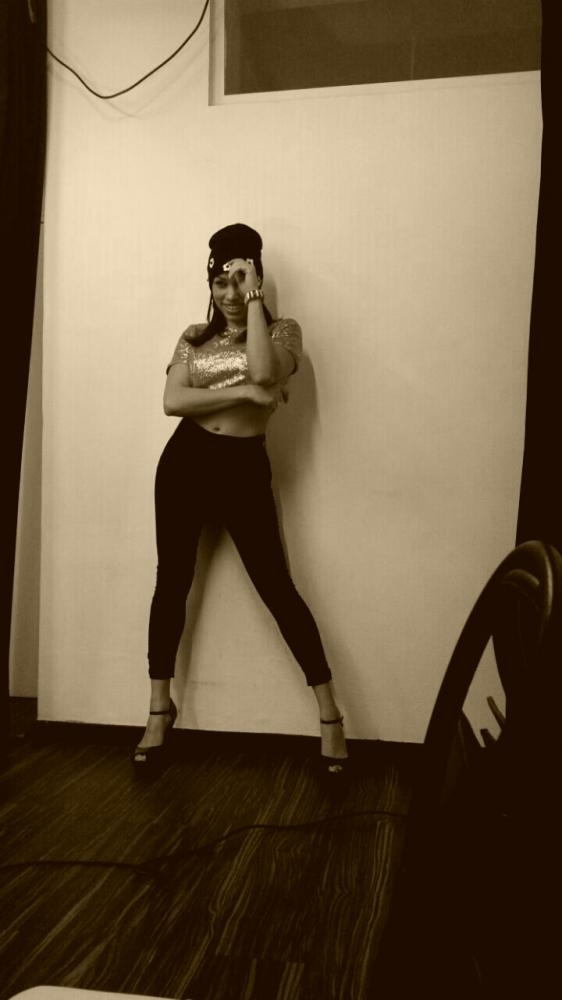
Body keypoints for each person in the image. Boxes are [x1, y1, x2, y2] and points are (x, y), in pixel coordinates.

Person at [133, 223, 348, 776]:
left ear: (256, 279)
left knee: (277, 587)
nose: (229, 293)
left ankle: (330, 715)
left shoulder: (284, 332)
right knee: (171, 584)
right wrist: (246, 393)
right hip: (184, 464)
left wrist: (255, 309)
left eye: (241, 280)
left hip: (243, 470)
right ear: (209, 284)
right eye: (220, 282)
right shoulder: (192, 336)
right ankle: (158, 709)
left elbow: (264, 370)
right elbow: (172, 401)